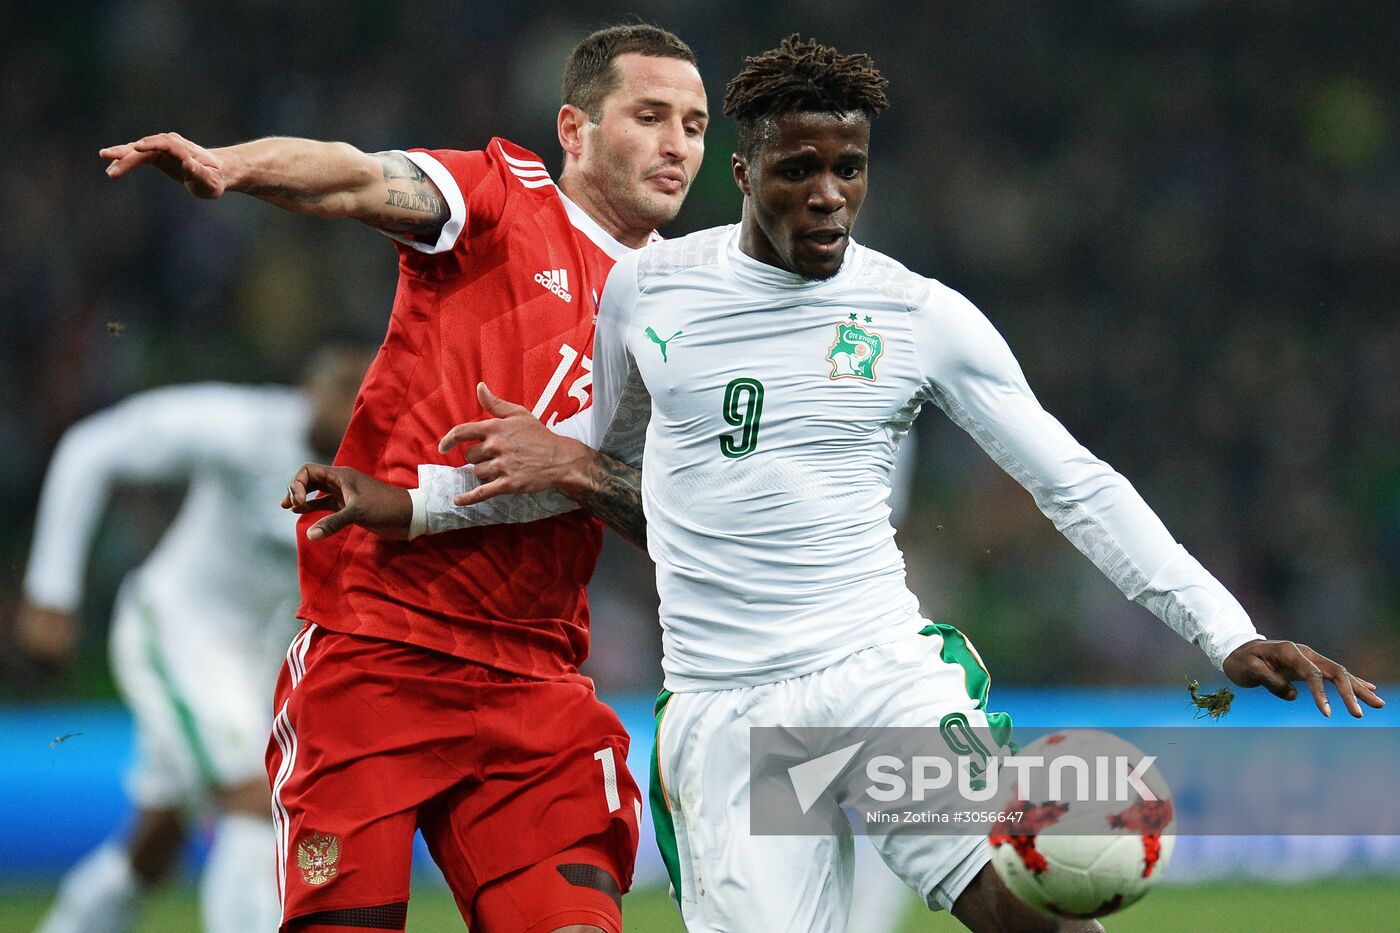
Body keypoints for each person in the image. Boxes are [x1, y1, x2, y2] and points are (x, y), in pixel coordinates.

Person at [306, 35, 1386, 932]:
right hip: (729, 721)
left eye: (850, 171)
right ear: (743, 172)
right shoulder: (650, 291)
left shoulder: (918, 315)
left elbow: (1076, 483)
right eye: (798, 172)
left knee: (1027, 910)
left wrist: (1222, 629)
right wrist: (419, 505)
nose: (828, 198)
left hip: (876, 683)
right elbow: (582, 466)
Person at [100, 23, 706, 933]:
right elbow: (352, 175)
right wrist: (233, 166)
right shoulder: (502, 197)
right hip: (379, 648)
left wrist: (570, 468)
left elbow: (686, 522)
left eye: (694, 125)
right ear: (574, 130)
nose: (676, 145)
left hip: (533, 675)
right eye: (649, 116)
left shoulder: (691, 308)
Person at [17, 346, 369, 933]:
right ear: (309, 388)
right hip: (176, 634)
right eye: (341, 384)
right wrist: (51, 590)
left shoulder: (378, 474)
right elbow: (91, 447)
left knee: (153, 848)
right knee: (256, 799)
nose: (352, 399)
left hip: (252, 669)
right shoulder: (242, 429)